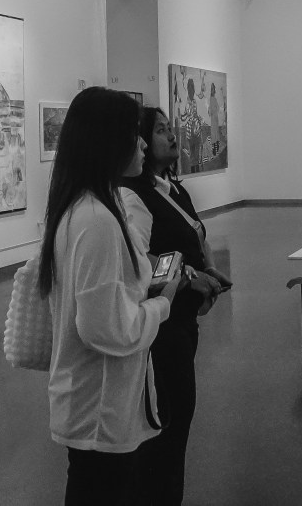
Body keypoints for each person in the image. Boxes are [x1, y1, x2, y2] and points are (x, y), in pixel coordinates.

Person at [37, 87, 182, 506]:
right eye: (132, 133)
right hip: (99, 408)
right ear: (106, 141)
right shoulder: (97, 220)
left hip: (91, 403)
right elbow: (106, 328)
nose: (142, 143)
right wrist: (163, 302)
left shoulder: (81, 210)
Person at [122, 106, 232, 505]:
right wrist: (188, 277)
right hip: (160, 325)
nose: (171, 136)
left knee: (178, 417)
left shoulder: (174, 189)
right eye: (161, 130)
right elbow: (139, 261)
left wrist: (209, 270)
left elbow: (195, 234)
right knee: (168, 420)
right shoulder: (134, 195)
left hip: (182, 319)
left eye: (171, 128)